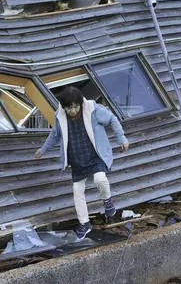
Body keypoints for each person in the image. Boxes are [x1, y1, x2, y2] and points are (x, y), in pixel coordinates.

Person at [35, 86, 129, 240]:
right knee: (77, 191)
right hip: (77, 159)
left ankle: (107, 200)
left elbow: (112, 119)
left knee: (100, 179)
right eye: (69, 107)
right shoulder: (61, 117)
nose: (73, 110)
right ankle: (84, 224)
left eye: (75, 106)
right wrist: (43, 150)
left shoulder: (93, 109)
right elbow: (54, 135)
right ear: (64, 107)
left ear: (80, 104)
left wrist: (121, 138)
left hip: (94, 155)